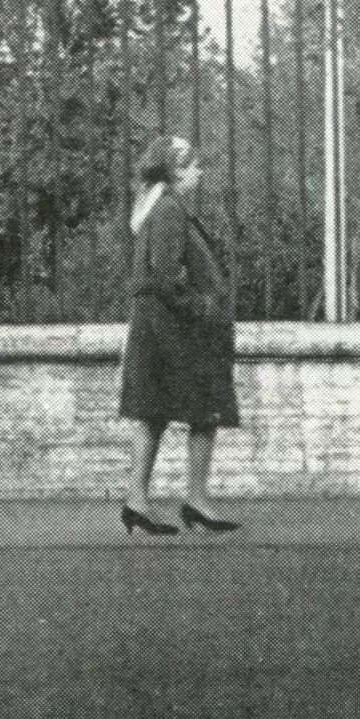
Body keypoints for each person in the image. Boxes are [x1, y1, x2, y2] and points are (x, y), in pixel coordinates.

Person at [117, 133, 241, 536]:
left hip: (155, 325)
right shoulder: (169, 210)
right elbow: (166, 276)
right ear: (175, 172)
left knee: (152, 412)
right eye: (193, 165)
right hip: (174, 329)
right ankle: (197, 498)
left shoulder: (157, 207)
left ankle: (138, 499)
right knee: (206, 408)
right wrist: (202, 307)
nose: (199, 172)